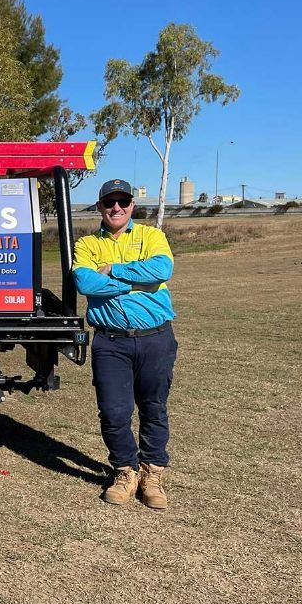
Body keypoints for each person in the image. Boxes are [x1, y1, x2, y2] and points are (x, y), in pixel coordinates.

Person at [72, 179, 178, 509]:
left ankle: (151, 474)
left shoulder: (151, 235)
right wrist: (136, 284)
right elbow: (84, 281)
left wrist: (115, 271)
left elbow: (163, 268)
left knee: (153, 408)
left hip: (155, 338)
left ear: (132, 205)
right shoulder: (86, 243)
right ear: (100, 206)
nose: (116, 208)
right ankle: (125, 471)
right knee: (114, 412)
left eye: (123, 201)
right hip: (111, 342)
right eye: (109, 202)